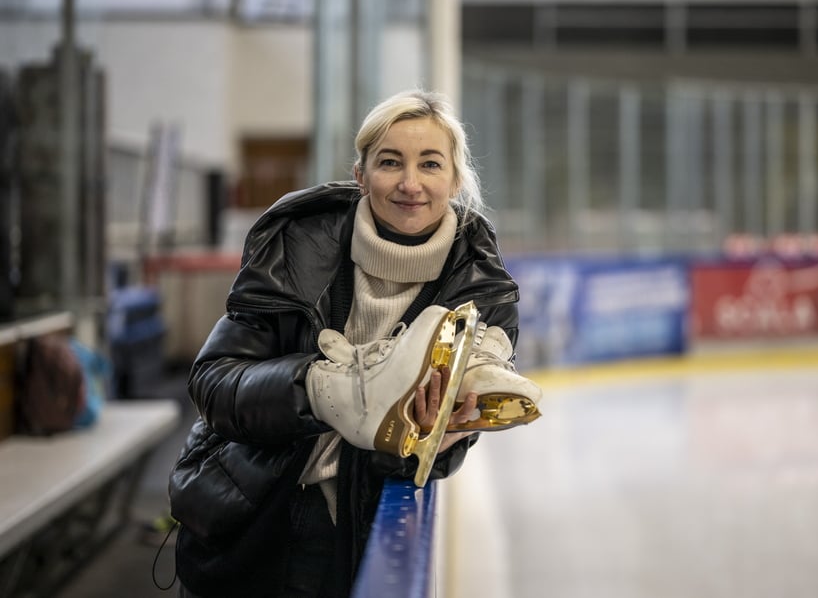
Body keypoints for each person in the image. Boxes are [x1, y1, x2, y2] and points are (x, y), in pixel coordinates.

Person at [168, 89, 541, 597]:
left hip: (356, 524)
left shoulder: (480, 288)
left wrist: (428, 435)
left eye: (429, 164)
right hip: (251, 511)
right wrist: (323, 390)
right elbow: (214, 385)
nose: (410, 183)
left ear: (454, 179)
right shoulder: (294, 244)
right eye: (391, 162)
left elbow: (440, 458)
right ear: (361, 174)